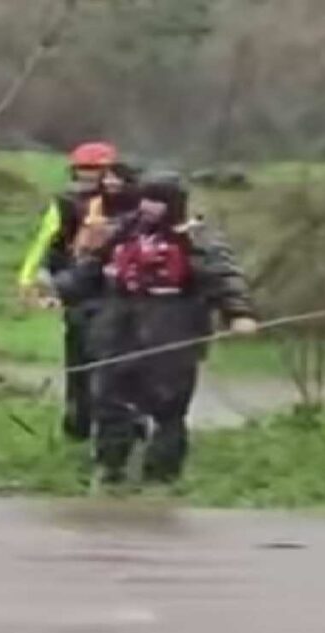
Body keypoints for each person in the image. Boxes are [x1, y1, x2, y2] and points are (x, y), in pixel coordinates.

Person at [51, 171, 258, 490]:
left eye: (158, 201)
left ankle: (160, 477)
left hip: (172, 325)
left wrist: (239, 313)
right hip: (118, 322)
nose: (149, 207)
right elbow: (91, 269)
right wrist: (59, 291)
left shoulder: (197, 238)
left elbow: (224, 275)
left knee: (168, 404)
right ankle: (110, 469)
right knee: (109, 399)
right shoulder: (125, 230)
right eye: (146, 198)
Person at [16, 141, 141, 440]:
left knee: (122, 369)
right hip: (81, 291)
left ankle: (125, 430)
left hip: (123, 295)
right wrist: (33, 280)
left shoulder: (135, 204)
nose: (88, 178)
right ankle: (79, 428)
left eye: (95, 171)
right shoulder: (67, 202)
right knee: (80, 365)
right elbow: (47, 242)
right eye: (82, 171)